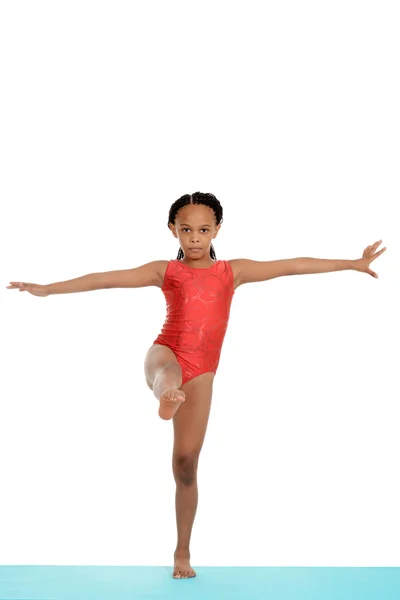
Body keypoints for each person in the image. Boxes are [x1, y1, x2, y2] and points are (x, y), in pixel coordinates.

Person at [6, 191, 387, 579]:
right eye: (185, 229)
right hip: (166, 351)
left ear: (217, 229)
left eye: (203, 230)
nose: (194, 238)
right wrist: (49, 288)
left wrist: (351, 263)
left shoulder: (231, 273)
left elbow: (290, 266)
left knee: (186, 466)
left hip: (203, 371)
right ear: (172, 229)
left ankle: (182, 551)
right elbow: (106, 279)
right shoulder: (166, 272)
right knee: (168, 376)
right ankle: (165, 398)